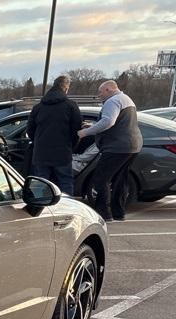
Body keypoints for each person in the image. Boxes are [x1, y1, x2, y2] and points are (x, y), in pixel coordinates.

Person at [77, 80, 143, 221]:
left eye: (100, 92)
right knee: (121, 179)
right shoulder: (126, 99)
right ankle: (119, 213)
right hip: (133, 145)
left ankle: (103, 213)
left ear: (108, 89)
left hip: (117, 147)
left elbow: (108, 121)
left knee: (101, 179)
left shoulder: (112, 101)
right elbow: (118, 122)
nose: (99, 95)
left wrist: (86, 132)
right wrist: (94, 125)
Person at [27, 74, 82, 194]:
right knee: (65, 182)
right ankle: (67, 208)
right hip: (62, 153)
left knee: (41, 183)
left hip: (41, 153)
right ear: (66, 88)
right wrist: (71, 146)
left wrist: (38, 141)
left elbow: (30, 130)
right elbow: (76, 131)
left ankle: (39, 209)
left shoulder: (38, 107)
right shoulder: (71, 106)